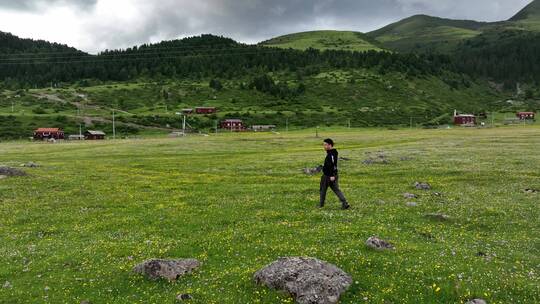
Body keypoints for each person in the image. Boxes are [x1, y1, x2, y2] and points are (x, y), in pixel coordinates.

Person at [319, 138, 350, 210]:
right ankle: (345, 203)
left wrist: (332, 175)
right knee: (336, 189)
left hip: (328, 176)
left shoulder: (331, 154)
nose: (324, 146)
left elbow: (333, 165)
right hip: (331, 175)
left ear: (330, 145)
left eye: (326, 145)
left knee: (322, 190)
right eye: (323, 145)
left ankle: (321, 205)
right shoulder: (332, 153)